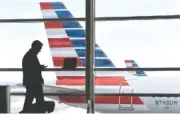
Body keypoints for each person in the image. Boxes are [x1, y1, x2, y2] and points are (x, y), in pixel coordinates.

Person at [20, 40, 47, 113]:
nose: (40, 50)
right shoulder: (31, 56)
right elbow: (33, 69)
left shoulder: (29, 55)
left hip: (30, 82)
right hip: (34, 83)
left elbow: (31, 68)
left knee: (29, 102)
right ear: (35, 47)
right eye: (39, 48)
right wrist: (40, 68)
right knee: (40, 102)